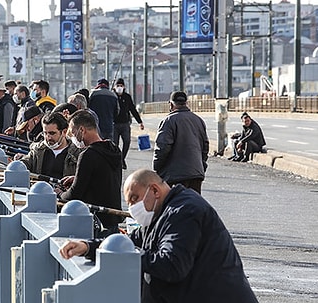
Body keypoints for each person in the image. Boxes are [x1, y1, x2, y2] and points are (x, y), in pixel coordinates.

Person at [59, 169, 259, 303]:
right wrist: (88, 247)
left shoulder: (184, 211)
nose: (132, 207)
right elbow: (130, 240)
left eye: (135, 199)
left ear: (154, 190)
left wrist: (127, 257)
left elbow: (172, 265)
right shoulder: (161, 212)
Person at [55, 109, 123, 236]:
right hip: (112, 219)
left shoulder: (88, 155)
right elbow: (103, 177)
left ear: (82, 130)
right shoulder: (113, 149)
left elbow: (75, 194)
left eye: (73, 132)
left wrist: (60, 194)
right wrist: (77, 177)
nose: (73, 137)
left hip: (96, 223)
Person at [153, 91, 209, 194]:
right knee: (194, 205)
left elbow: (163, 148)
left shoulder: (169, 121)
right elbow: (205, 147)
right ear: (186, 103)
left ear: (171, 104)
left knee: (177, 205)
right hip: (196, 173)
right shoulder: (198, 120)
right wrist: (201, 166)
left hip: (175, 175)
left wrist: (157, 168)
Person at [17, 112, 81, 180]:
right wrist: (17, 165)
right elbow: (26, 163)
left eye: (52, 133)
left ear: (64, 132)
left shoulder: (77, 154)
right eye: (45, 133)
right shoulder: (38, 150)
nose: (48, 137)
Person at [112, 78, 144, 170]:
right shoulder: (113, 96)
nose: (119, 88)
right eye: (117, 86)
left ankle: (122, 159)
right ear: (114, 87)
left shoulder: (127, 97)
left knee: (127, 141)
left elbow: (132, 109)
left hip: (125, 124)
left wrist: (140, 122)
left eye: (121, 86)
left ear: (124, 87)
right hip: (114, 124)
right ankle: (118, 161)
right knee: (115, 144)